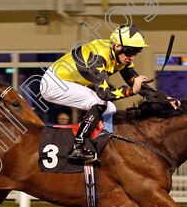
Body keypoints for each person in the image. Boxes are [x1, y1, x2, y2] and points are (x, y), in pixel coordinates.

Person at [41, 25, 178, 163]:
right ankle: (77, 146)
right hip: (53, 83)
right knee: (100, 102)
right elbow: (104, 94)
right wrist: (131, 91)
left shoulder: (120, 56)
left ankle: (98, 143)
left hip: (67, 83)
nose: (132, 57)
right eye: (130, 52)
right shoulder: (98, 56)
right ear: (117, 46)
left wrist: (163, 99)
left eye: (136, 53)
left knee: (110, 108)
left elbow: (137, 84)